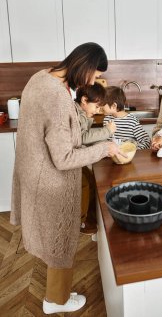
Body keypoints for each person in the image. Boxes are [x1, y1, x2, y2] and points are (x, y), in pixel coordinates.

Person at [10, 42, 124, 315]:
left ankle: (57, 292)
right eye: (94, 75)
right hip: (51, 180)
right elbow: (63, 159)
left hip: (33, 172)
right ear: (85, 66)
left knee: (52, 242)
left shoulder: (41, 77)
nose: (93, 81)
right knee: (60, 243)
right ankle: (55, 301)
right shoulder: (58, 99)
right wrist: (104, 148)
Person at [75, 83, 116, 235]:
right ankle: (80, 221)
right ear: (84, 100)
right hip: (72, 159)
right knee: (85, 184)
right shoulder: (77, 115)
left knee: (91, 181)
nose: (98, 111)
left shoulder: (82, 113)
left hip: (78, 158)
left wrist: (90, 117)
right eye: (97, 107)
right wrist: (106, 131)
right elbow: (83, 137)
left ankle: (89, 216)